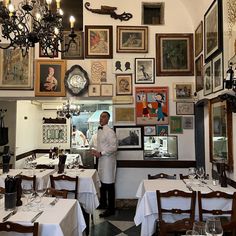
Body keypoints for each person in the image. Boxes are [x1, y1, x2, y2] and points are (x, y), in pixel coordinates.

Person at [91, 111, 118, 217]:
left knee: (109, 185)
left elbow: (113, 147)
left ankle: (111, 209)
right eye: (100, 117)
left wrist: (101, 153)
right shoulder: (100, 131)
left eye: (103, 117)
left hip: (108, 162)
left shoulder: (110, 132)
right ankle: (103, 203)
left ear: (108, 119)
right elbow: (101, 145)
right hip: (101, 161)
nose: (101, 119)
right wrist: (95, 151)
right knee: (102, 184)